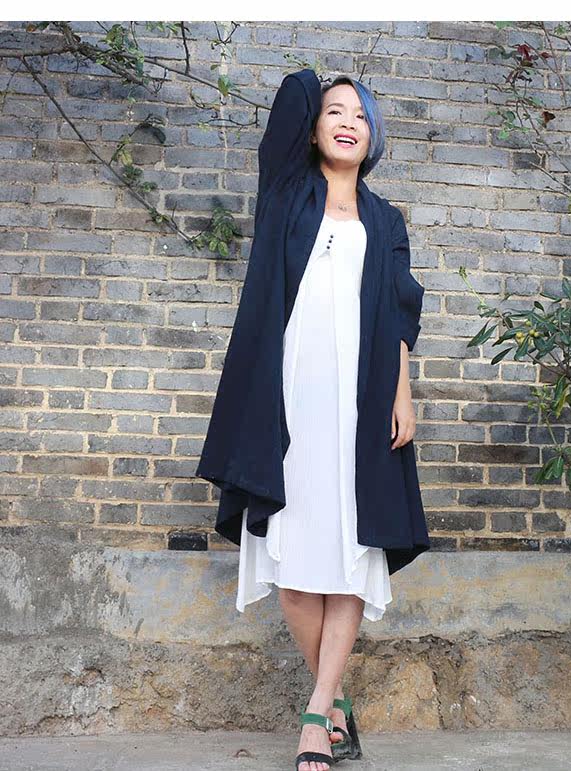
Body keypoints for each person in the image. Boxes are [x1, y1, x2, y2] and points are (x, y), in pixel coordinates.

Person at [196, 68, 430, 771]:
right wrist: (320, 86)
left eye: (361, 114)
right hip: (288, 403)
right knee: (295, 566)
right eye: (335, 112)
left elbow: (401, 316)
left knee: (351, 559)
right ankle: (338, 708)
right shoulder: (287, 194)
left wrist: (403, 396)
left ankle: (313, 715)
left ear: (374, 135)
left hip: (360, 406)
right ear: (313, 129)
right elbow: (291, 98)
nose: (349, 122)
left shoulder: (386, 221)